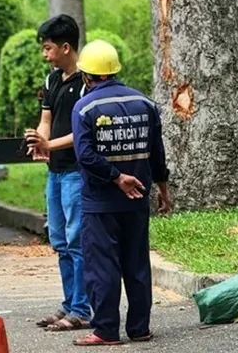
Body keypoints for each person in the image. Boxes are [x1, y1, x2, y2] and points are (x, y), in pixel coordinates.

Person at [69, 40, 171, 346]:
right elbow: (157, 153)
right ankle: (139, 328)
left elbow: (85, 156)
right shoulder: (146, 104)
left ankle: (106, 330)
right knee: (137, 264)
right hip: (138, 199)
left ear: (87, 76)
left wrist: (116, 178)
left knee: (102, 266)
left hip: (101, 203)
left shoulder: (84, 107)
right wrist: (163, 189)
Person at [24, 15, 92, 332]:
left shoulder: (87, 81)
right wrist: (41, 142)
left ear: (66, 47)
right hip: (56, 172)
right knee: (60, 240)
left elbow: (83, 132)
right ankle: (69, 305)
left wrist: (49, 143)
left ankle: (82, 308)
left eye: (48, 48)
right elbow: (46, 119)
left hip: (77, 172)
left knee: (77, 240)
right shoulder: (53, 80)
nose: (45, 54)